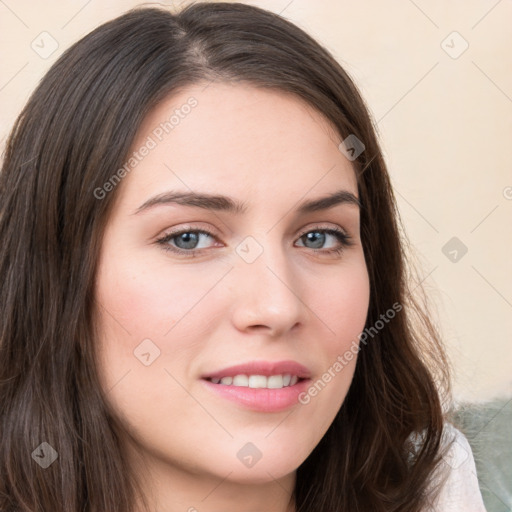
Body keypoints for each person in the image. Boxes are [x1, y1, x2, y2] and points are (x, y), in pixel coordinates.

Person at [0, 3, 487, 511]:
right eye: (189, 238)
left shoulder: (437, 485)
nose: (277, 307)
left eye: (319, 237)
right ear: (58, 276)